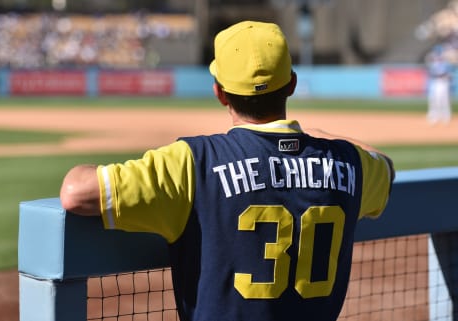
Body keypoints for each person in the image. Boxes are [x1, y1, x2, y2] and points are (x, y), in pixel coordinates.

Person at [60, 20, 395, 321]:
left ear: (219, 92)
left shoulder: (193, 162)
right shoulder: (349, 164)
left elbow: (76, 193)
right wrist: (324, 138)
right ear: (291, 84)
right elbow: (386, 167)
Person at [425, 44, 454, 125]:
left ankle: (446, 116)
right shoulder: (433, 64)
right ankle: (434, 116)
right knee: (434, 100)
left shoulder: (446, 64)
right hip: (435, 83)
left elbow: (449, 75)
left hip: (443, 83)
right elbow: (431, 74)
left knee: (444, 100)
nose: (437, 55)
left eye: (438, 53)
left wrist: (444, 76)